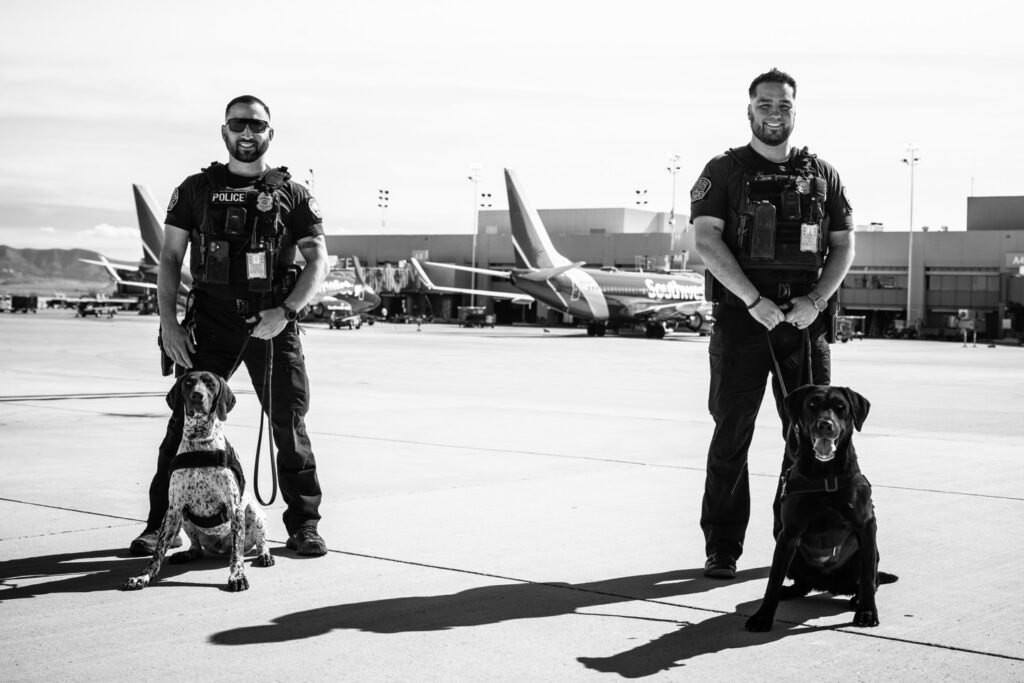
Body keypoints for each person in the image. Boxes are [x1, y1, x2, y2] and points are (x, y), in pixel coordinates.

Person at [130, 95, 332, 557]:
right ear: (224, 132)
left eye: (257, 125)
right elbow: (169, 259)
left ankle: (304, 525)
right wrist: (170, 325)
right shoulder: (196, 190)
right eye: (238, 124)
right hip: (212, 321)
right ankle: (160, 524)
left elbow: (319, 261)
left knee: (290, 425)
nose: (247, 133)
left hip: (272, 321)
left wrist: (287, 312)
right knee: (182, 423)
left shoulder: (294, 194)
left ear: (269, 134)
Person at [690, 68, 856, 579]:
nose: (774, 113)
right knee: (731, 433)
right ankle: (723, 546)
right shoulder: (722, 171)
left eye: (783, 105)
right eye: (765, 105)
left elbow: (844, 245)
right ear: (749, 111)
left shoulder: (823, 175)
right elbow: (706, 241)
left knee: (813, 437)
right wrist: (753, 299)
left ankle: (804, 547)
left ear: (794, 111)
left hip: (804, 323)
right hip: (744, 322)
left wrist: (816, 300)